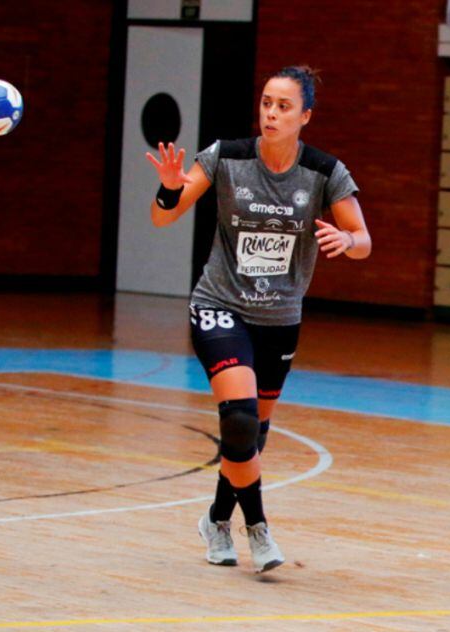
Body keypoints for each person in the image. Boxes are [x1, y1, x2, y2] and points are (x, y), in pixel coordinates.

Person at [145, 65, 371, 573]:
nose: (271, 113)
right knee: (240, 419)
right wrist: (168, 188)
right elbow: (163, 215)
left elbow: (364, 241)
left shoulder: (324, 172)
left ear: (305, 116)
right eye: (267, 102)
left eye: (284, 106)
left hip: (280, 319)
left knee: (250, 438)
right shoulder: (226, 156)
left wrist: (347, 239)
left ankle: (216, 519)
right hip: (219, 305)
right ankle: (258, 529)